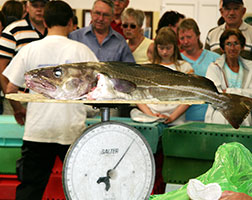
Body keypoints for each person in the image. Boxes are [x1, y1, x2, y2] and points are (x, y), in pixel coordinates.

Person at [2, 1, 98, 199]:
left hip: (38, 130)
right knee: (83, 188)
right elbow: (99, 89)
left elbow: (11, 88)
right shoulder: (83, 52)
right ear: (71, 22)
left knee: (30, 190)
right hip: (71, 129)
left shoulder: (31, 49)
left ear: (45, 22)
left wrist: (18, 109)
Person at [0, 0, 48, 116]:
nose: (39, 9)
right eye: (35, 5)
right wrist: (15, 103)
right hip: (18, 99)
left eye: (43, 5)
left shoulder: (54, 31)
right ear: (27, 7)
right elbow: (2, 69)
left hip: (47, 101)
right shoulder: (13, 31)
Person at [136, 27, 193, 125]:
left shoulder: (185, 67)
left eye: (168, 48)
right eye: (161, 48)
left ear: (175, 47)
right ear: (156, 47)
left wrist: (172, 117)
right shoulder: (147, 67)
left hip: (177, 119)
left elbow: (190, 97)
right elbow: (137, 95)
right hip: (149, 118)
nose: (165, 52)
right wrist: (151, 115)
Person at [205, 28, 252, 126]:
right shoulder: (214, 67)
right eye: (228, 44)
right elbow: (214, 96)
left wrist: (228, 91)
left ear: (242, 46)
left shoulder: (250, 67)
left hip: (244, 116)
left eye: (236, 43)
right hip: (219, 116)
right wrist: (241, 94)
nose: (232, 47)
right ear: (222, 48)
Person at [177, 18, 220, 122]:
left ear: (198, 35)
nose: (186, 41)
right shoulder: (178, 61)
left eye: (189, 37)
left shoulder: (215, 59)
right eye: (182, 38)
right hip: (185, 119)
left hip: (213, 117)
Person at [69, 0, 135, 62]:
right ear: (91, 13)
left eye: (105, 15)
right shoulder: (75, 37)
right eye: (97, 13)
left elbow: (129, 68)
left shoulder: (120, 41)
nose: (100, 18)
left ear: (112, 17)